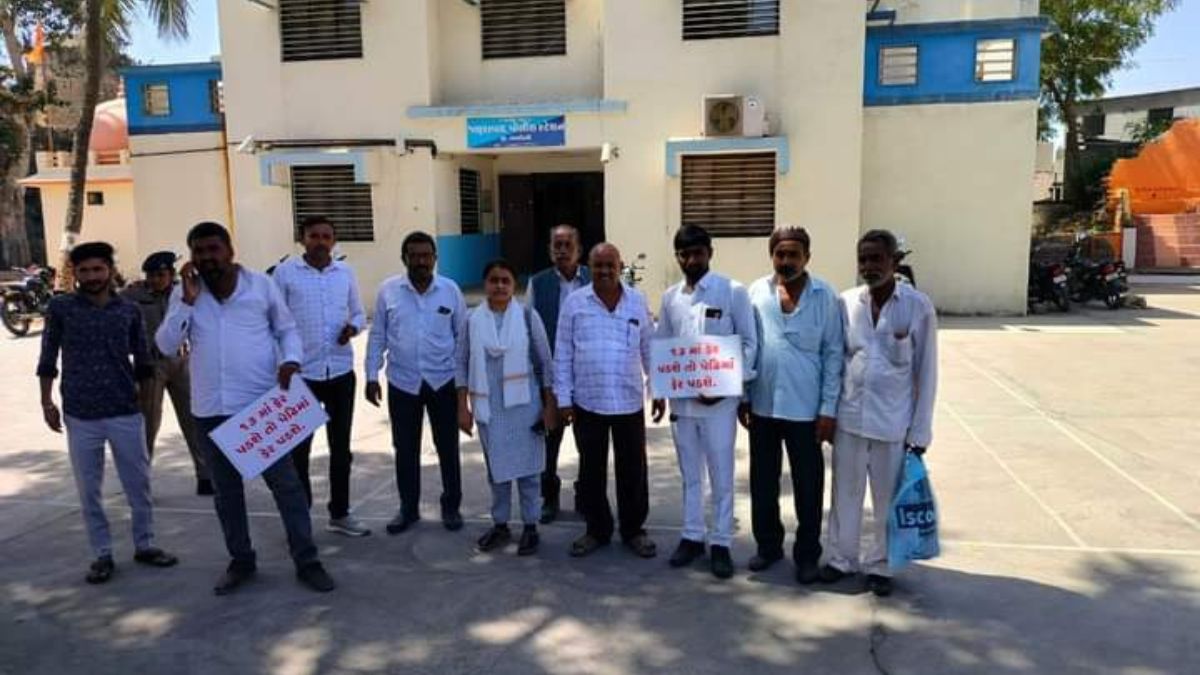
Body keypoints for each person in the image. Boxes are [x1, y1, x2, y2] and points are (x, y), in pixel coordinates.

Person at [157, 222, 335, 595]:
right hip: (209, 410)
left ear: (230, 251)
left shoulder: (260, 285)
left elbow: (287, 330)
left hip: (259, 407)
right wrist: (186, 302)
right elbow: (167, 345)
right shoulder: (185, 293)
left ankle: (307, 560)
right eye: (199, 251)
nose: (207, 257)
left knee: (287, 487)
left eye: (213, 249)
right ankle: (241, 560)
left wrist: (290, 359)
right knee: (226, 494)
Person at [37, 241, 178, 584]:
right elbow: (48, 357)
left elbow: (143, 361)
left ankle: (145, 544)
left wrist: (145, 403)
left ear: (110, 270)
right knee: (89, 490)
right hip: (80, 413)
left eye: (97, 269)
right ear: (75, 274)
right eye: (84, 270)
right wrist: (46, 402)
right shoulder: (61, 308)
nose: (91, 276)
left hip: (124, 411)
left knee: (138, 484)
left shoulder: (128, 310)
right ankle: (102, 554)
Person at [822, 229, 938, 597]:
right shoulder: (846, 303)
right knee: (844, 495)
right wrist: (828, 413)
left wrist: (920, 432)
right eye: (863, 259)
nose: (869, 266)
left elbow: (927, 372)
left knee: (886, 499)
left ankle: (881, 565)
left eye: (877, 258)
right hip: (850, 417)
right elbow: (836, 361)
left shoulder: (917, 306)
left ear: (894, 261)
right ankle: (841, 559)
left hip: (893, 423)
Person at [650, 225, 757, 580]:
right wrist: (659, 391)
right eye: (684, 254)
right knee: (690, 475)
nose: (691, 260)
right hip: (683, 404)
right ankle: (692, 535)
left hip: (719, 405)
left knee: (721, 474)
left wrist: (725, 386)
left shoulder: (732, 291)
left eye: (697, 252)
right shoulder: (671, 298)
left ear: (710, 252)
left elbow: (749, 345)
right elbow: (662, 345)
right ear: (677, 257)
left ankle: (721, 541)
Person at [742, 226, 845, 584]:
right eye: (780, 254)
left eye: (793, 254)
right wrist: (744, 396)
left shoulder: (825, 296)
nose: (786, 261)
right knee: (763, 484)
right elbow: (748, 345)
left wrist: (828, 409)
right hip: (763, 406)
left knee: (808, 487)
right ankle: (768, 546)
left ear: (807, 257)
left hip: (806, 410)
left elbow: (834, 354)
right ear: (771, 256)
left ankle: (807, 555)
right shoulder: (756, 292)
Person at [555, 243, 657, 559]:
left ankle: (633, 530)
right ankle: (596, 529)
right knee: (591, 470)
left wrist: (658, 390)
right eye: (598, 265)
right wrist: (563, 398)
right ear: (590, 267)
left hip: (628, 400)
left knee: (633, 470)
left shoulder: (637, 301)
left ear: (620, 266)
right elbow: (563, 353)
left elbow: (649, 348)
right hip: (588, 402)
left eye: (610, 265)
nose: (604, 271)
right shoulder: (575, 303)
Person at [271, 215, 370, 537]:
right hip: (302, 375)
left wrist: (353, 328)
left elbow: (359, 313)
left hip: (340, 372)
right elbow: (274, 322)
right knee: (299, 452)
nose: (320, 242)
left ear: (334, 241)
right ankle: (300, 517)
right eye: (314, 236)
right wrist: (283, 362)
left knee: (341, 450)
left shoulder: (345, 272)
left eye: (326, 236)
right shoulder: (285, 274)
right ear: (302, 239)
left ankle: (340, 513)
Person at [365, 231, 467, 535]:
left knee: (447, 447)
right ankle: (408, 509)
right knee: (405, 449)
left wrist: (463, 384)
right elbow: (377, 335)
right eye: (414, 256)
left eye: (426, 256)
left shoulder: (450, 290)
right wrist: (371, 375)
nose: (421, 261)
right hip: (403, 382)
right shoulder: (388, 291)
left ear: (435, 258)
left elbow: (462, 338)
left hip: (443, 381)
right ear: (404, 258)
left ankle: (451, 506)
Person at [457, 259, 558, 556]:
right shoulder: (472, 320)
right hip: (489, 409)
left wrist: (549, 406)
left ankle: (530, 526)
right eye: (494, 280)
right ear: (485, 284)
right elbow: (460, 364)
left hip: (526, 406)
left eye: (505, 280)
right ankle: (500, 525)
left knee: (529, 473)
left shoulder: (527, 316)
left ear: (515, 286)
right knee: (497, 472)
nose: (499, 286)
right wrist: (462, 407)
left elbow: (546, 364)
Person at [122, 251, 211, 495]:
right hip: (151, 365)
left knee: (193, 420)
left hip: (182, 362)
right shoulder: (133, 296)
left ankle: (205, 475)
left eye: (160, 275)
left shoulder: (184, 292)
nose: (155, 280)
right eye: (151, 275)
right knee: (148, 424)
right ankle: (140, 481)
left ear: (171, 274)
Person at [524, 224, 591, 523]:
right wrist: (538, 381)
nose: (562, 250)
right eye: (557, 245)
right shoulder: (538, 284)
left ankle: (586, 496)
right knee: (548, 443)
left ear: (579, 249)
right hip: (550, 379)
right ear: (550, 250)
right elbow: (528, 332)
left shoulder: (594, 278)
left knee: (588, 442)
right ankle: (548, 498)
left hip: (586, 377)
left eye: (568, 245)